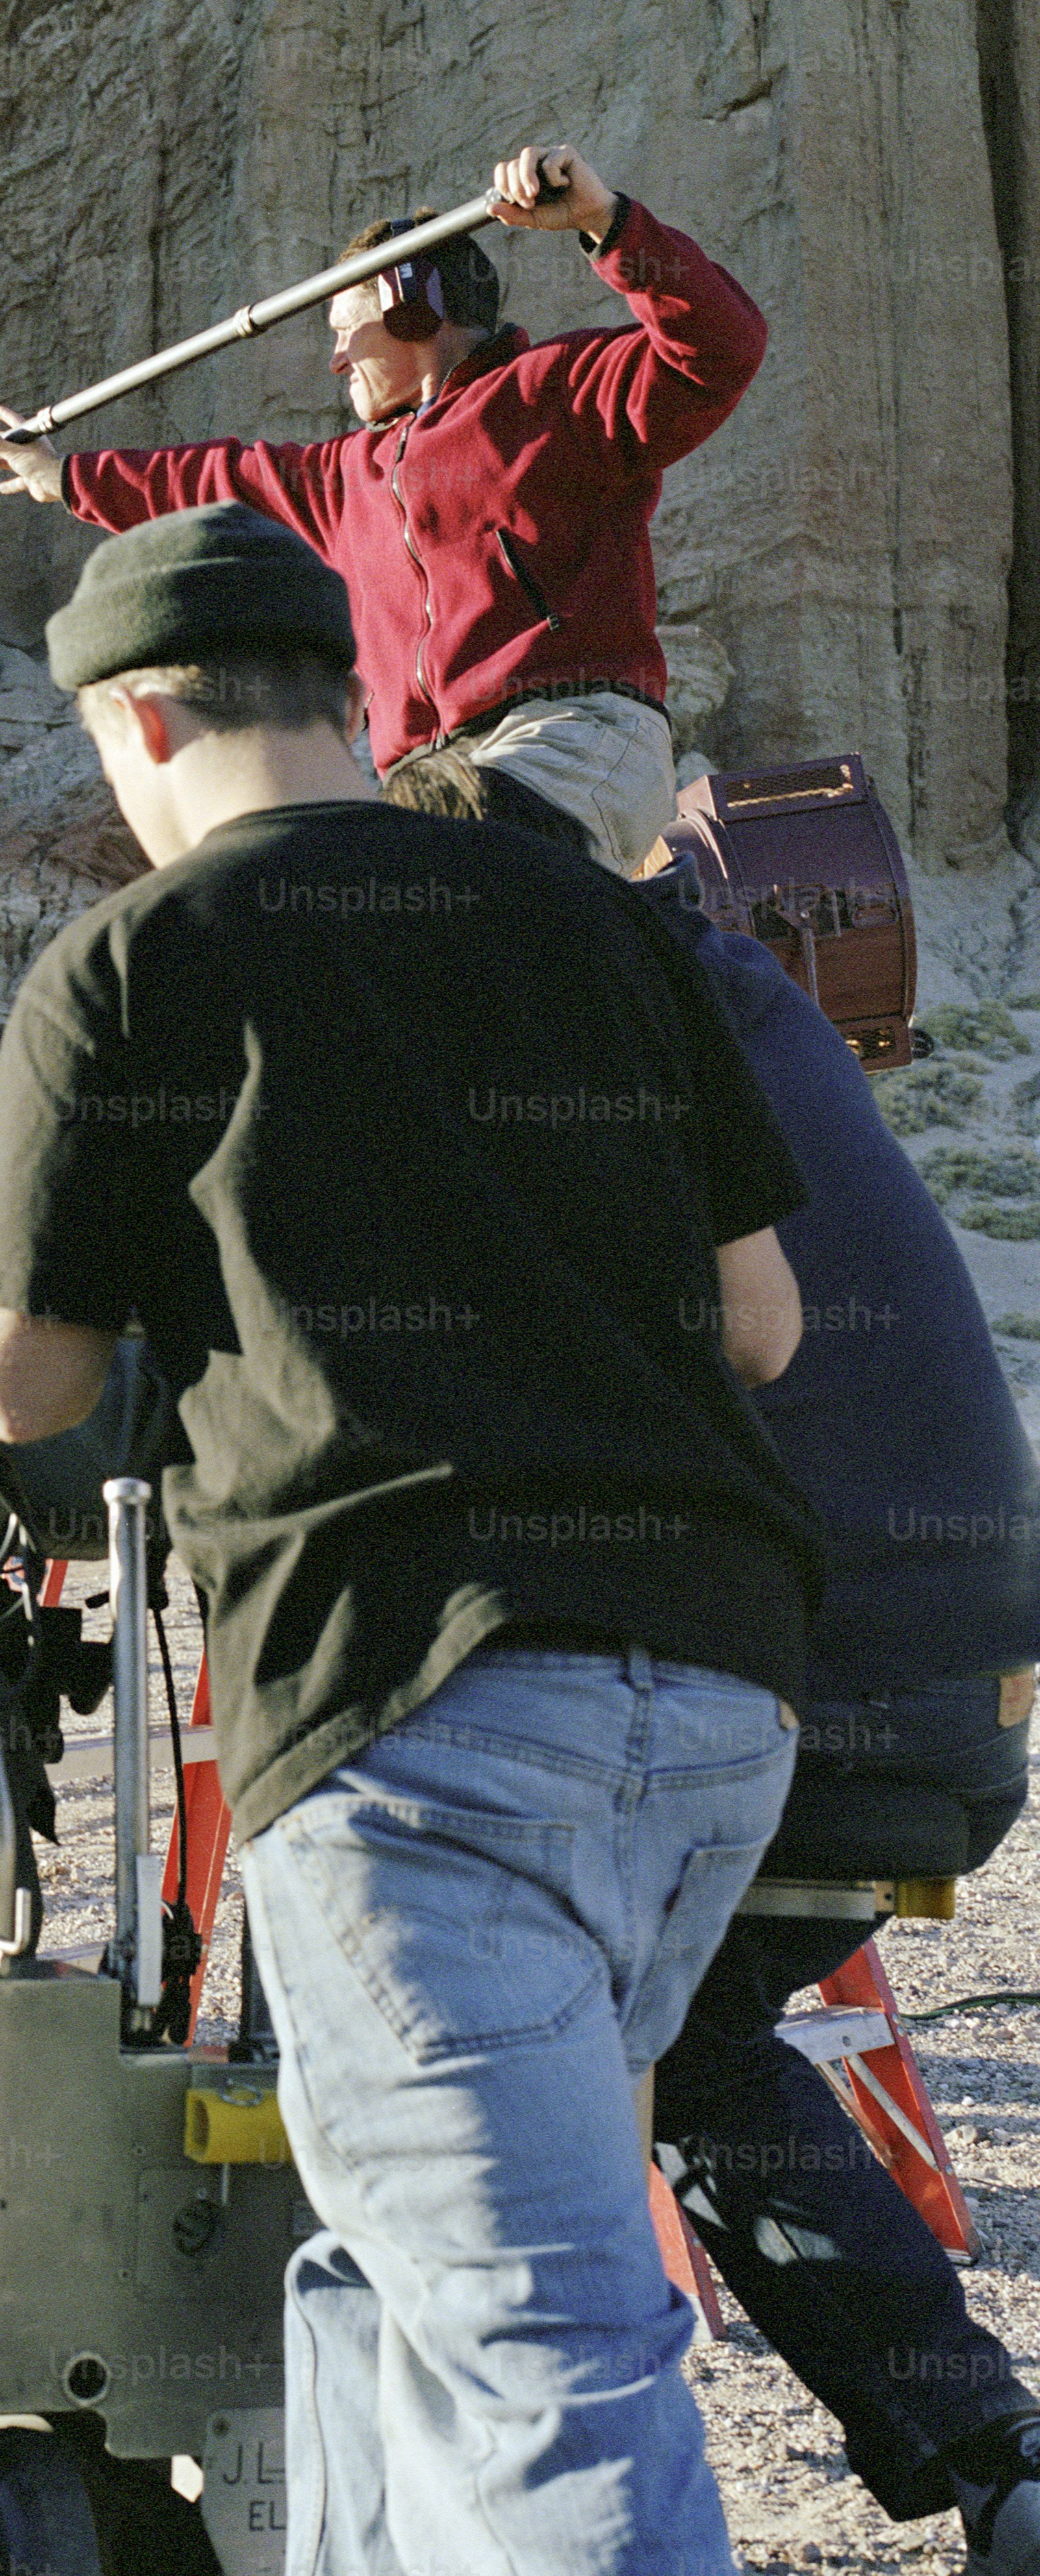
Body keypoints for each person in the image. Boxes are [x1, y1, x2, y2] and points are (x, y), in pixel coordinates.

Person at [0, 501, 826, 2576]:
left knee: (539, 2351)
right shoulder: (597, 921)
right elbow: (763, 1324)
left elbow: (21, 1383)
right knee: (383, 2270)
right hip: (712, 1693)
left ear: (135, 721)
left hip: (415, 1717)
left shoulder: (134, 961)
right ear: (344, 697)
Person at [385, 745, 1040, 2576]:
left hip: (793, 1670)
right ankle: (987, 2455)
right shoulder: (721, 977)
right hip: (955, 1671)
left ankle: (528, 2496)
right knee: (683, 2029)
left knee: (434, 1981)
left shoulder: (541, 1012)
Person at [0, 141, 767, 873]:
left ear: (408, 309)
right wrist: (63, 476)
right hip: (434, 782)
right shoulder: (344, 475)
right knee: (366, 904)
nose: (333, 360)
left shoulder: (555, 392)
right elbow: (208, 481)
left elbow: (721, 344)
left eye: (343, 330)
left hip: (568, 740)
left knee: (450, 872)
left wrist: (606, 222)